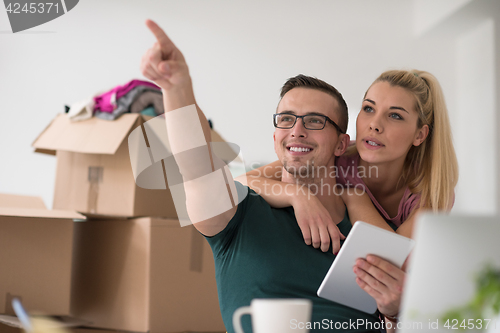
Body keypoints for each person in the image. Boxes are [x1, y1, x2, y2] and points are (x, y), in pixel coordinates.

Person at [141, 19, 387, 333]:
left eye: (314, 121)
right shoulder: (239, 214)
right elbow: (198, 166)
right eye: (286, 119)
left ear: (342, 143)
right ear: (275, 137)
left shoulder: (365, 225)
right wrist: (177, 89)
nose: (297, 131)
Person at [238, 69, 459, 326]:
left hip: (386, 302)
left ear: (420, 134)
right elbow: (238, 181)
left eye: (395, 115)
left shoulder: (432, 192)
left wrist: (355, 199)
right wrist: (296, 194)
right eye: (368, 109)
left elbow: (390, 261)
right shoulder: (338, 154)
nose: (374, 124)